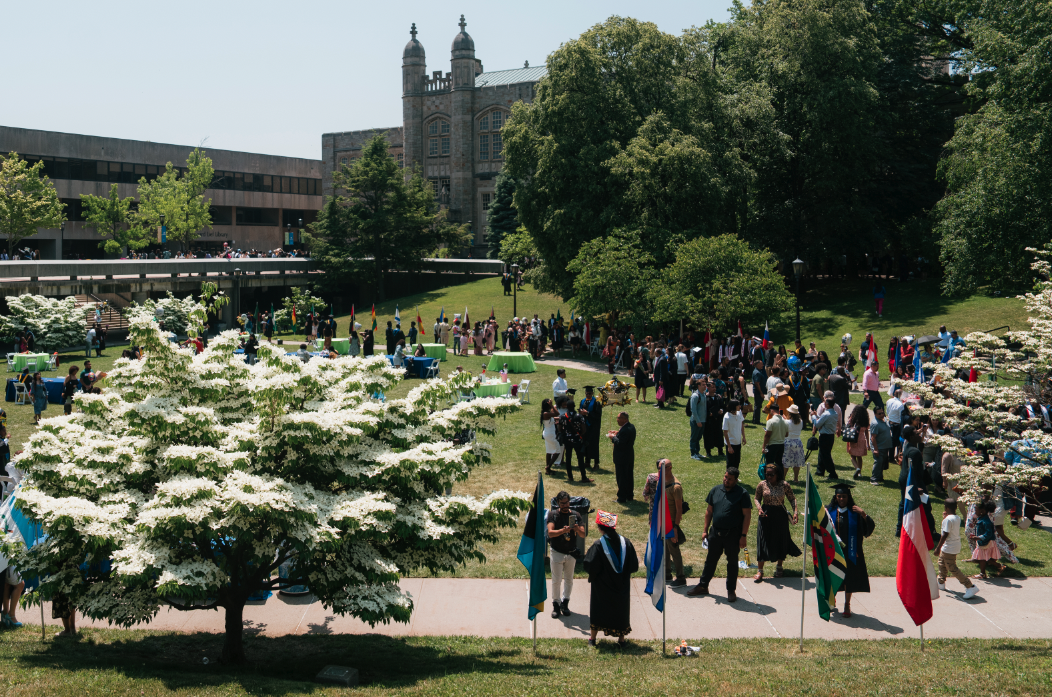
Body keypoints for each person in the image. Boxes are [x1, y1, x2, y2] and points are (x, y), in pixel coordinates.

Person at [688, 467, 752, 602]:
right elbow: (709, 511)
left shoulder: (742, 494)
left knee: (732, 563)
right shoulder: (715, 490)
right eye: (725, 477)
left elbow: (747, 515)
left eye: (729, 479)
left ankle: (731, 590)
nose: (726, 480)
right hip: (715, 533)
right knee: (710, 560)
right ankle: (703, 586)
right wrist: (705, 530)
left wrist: (743, 535)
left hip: (733, 534)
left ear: (735, 480)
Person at [584, 510, 639, 647]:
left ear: (600, 528)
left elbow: (590, 565)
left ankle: (593, 639)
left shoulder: (598, 545)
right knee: (620, 610)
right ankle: (621, 640)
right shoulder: (626, 543)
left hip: (602, 587)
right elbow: (634, 566)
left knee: (598, 610)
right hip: (622, 586)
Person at [827, 483, 875, 617]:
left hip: (851, 552)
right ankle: (832, 599)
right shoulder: (829, 511)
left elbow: (868, 529)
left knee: (849, 577)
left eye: (844, 496)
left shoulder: (855, 513)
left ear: (848, 497)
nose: (841, 499)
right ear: (835, 497)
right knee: (833, 575)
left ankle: (847, 604)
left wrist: (864, 514)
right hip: (834, 552)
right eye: (839, 496)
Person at [642, 459, 686, 586]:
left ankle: (681, 577)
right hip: (661, 520)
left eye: (663, 467)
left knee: (674, 548)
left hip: (671, 522)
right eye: (659, 467)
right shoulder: (661, 481)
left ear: (670, 468)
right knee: (665, 547)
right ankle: (667, 574)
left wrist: (676, 527)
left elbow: (679, 510)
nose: (659, 470)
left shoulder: (676, 487)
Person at [753, 463, 800, 582]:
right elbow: (756, 498)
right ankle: (760, 570)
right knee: (763, 540)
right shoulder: (762, 484)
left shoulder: (784, 485)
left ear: (777, 474)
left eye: (771, 475)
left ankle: (779, 567)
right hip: (766, 514)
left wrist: (795, 511)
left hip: (780, 514)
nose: (768, 477)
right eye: (767, 474)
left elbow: (792, 498)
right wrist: (759, 508)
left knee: (781, 540)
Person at [547, 491, 586, 618]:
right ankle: (556, 605)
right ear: (558, 503)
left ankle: (565, 603)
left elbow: (583, 534)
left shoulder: (576, 515)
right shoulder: (553, 515)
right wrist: (562, 531)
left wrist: (576, 528)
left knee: (569, 580)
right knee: (556, 580)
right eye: (562, 503)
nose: (565, 505)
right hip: (557, 552)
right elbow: (550, 533)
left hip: (571, 553)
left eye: (567, 502)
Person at [935, 499, 979, 598]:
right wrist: (945, 518)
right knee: (942, 562)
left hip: (949, 547)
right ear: (956, 507)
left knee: (952, 567)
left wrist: (938, 547)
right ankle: (940, 583)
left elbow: (945, 534)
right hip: (954, 545)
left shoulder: (947, 519)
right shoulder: (957, 517)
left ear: (945, 507)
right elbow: (950, 526)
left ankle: (970, 586)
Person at [556, 401, 593, 484]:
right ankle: (583, 477)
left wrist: (566, 433)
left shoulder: (562, 417)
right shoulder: (579, 416)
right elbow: (584, 429)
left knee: (568, 458)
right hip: (577, 440)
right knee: (580, 458)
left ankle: (570, 477)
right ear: (574, 406)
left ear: (567, 407)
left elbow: (559, 429)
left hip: (567, 440)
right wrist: (579, 434)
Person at [968, 500, 1000, 579]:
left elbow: (988, 533)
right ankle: (1000, 566)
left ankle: (982, 574)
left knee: (982, 558)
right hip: (985, 542)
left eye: (976, 510)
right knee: (985, 558)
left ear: (982, 511)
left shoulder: (986, 521)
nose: (975, 512)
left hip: (986, 542)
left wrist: (978, 537)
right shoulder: (981, 518)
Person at [608, 411, 635, 502]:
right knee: (629, 476)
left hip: (621, 458)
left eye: (619, 418)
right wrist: (617, 433)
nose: (617, 420)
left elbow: (620, 443)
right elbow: (624, 437)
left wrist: (613, 437)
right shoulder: (630, 427)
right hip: (629, 456)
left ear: (625, 419)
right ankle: (629, 495)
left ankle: (622, 497)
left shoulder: (625, 430)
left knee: (621, 477)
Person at [812, 395, 840, 478]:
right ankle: (820, 471)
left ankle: (832, 473)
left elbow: (817, 424)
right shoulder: (834, 413)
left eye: (825, 403)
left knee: (826, 455)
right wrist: (817, 416)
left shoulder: (826, 414)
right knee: (822, 453)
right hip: (830, 436)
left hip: (824, 437)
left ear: (827, 404)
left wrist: (813, 416)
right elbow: (823, 420)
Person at [579, 386, 603, 470]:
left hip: (593, 427)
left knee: (594, 444)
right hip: (584, 426)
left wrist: (588, 413)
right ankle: (587, 462)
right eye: (586, 393)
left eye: (589, 393)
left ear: (592, 393)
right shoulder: (582, 401)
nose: (588, 395)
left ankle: (596, 463)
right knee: (585, 443)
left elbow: (598, 415)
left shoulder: (596, 402)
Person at [869, 406, 894, 484]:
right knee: (878, 462)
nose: (882, 414)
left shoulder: (884, 419)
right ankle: (873, 479)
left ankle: (879, 477)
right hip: (879, 447)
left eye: (882, 412)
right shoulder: (875, 423)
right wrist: (876, 449)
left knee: (882, 463)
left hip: (885, 446)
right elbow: (873, 438)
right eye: (879, 413)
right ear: (875, 414)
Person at [845, 404, 871, 480]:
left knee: (852, 456)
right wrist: (868, 444)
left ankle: (857, 468)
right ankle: (859, 473)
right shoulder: (865, 420)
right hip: (862, 439)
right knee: (859, 457)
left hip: (854, 438)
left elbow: (848, 425)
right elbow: (866, 432)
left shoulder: (853, 418)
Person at [763, 400, 789, 472]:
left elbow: (767, 435)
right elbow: (786, 434)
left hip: (772, 445)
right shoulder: (785, 421)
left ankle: (769, 479)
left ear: (771, 410)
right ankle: (780, 479)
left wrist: (763, 447)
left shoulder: (770, 421)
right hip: (781, 445)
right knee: (779, 463)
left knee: (769, 464)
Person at [783, 404, 806, 482]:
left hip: (788, 442)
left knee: (786, 462)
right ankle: (796, 478)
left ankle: (783, 478)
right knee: (796, 462)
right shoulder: (801, 421)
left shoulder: (786, 422)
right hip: (797, 442)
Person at [703, 380, 725, 458]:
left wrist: (721, 410)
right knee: (708, 436)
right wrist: (709, 414)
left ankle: (720, 451)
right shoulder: (705, 397)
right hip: (709, 421)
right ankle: (708, 452)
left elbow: (722, 406)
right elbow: (703, 409)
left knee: (719, 435)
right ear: (707, 388)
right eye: (712, 387)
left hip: (717, 420)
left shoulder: (718, 397)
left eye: (714, 387)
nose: (714, 388)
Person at [722, 399, 746, 470]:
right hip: (731, 443)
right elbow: (725, 432)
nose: (740, 406)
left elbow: (741, 424)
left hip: (738, 442)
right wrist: (729, 446)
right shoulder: (727, 417)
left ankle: (735, 477)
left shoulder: (739, 413)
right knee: (730, 462)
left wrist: (743, 437)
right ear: (733, 406)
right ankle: (729, 477)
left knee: (737, 461)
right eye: (738, 405)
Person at [541, 399, 563, 476]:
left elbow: (554, 418)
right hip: (550, 435)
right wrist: (552, 406)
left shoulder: (546, 413)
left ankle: (548, 470)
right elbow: (557, 413)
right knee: (557, 451)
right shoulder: (546, 413)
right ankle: (548, 467)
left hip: (547, 434)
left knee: (549, 451)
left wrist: (562, 419)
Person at [688, 378, 706, 461]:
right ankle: (693, 453)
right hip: (696, 421)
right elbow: (693, 410)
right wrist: (698, 421)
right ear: (699, 386)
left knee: (698, 437)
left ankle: (697, 452)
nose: (705, 386)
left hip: (703, 420)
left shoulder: (704, 394)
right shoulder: (695, 396)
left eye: (705, 384)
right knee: (694, 438)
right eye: (703, 385)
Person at [886, 387, 905, 461]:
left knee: (891, 441)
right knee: (897, 441)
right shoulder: (900, 405)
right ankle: (895, 456)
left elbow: (887, 411)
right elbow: (901, 417)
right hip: (897, 424)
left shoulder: (889, 401)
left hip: (890, 422)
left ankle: (891, 456)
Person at [751, 360, 767, 425]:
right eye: (761, 364)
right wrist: (761, 393)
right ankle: (756, 420)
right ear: (757, 365)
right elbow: (757, 383)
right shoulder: (757, 373)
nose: (762, 365)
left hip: (758, 391)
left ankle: (754, 419)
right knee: (757, 406)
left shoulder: (758, 371)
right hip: (758, 392)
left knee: (757, 406)